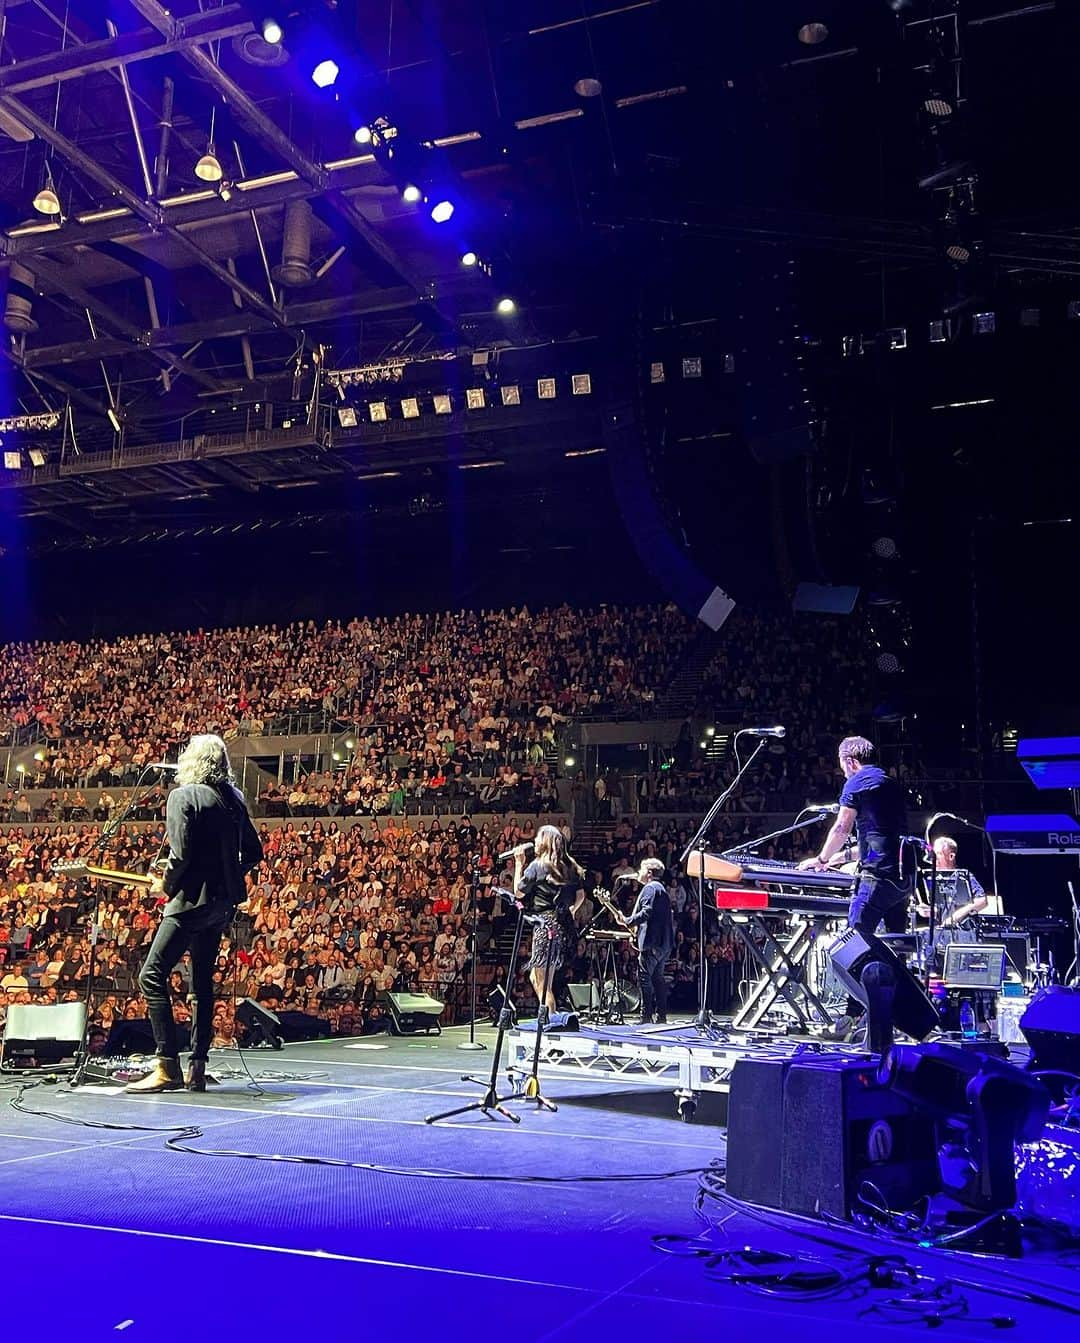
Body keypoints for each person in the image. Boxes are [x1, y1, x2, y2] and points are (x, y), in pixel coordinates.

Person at [126, 734, 262, 1095]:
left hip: (189, 902)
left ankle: (167, 1065)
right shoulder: (233, 799)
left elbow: (181, 854)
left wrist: (165, 885)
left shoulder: (181, 796)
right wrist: (226, 874)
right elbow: (254, 850)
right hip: (220, 905)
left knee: (151, 976)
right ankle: (197, 1068)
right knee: (201, 982)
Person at [800, 735, 909, 1052]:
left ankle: (852, 1020)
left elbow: (841, 827)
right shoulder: (889, 783)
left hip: (877, 879)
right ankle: (893, 1018)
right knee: (892, 950)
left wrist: (820, 860)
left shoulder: (857, 781)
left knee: (854, 947)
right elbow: (880, 835)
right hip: (901, 879)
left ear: (849, 761)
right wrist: (843, 858)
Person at [513, 825, 585, 1014]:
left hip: (544, 925)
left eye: (538, 838)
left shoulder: (538, 865)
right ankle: (548, 1019)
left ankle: (550, 1018)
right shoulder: (568, 865)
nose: (535, 841)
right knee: (545, 981)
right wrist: (571, 911)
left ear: (544, 841)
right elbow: (581, 895)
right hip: (560, 926)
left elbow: (518, 892)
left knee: (539, 981)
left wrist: (519, 863)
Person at [621, 857, 674, 1025]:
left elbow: (646, 912)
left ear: (649, 873)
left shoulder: (650, 889)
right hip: (664, 944)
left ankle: (645, 1016)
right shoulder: (661, 889)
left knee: (644, 978)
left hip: (652, 943)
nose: (639, 872)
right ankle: (661, 1016)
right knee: (658, 979)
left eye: (642, 870)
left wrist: (628, 920)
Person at [918, 836, 988, 928]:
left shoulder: (962, 876)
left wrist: (955, 917)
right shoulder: (936, 879)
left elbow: (982, 901)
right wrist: (931, 912)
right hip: (942, 932)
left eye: (938, 854)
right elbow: (944, 911)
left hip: (964, 931)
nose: (933, 859)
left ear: (951, 856)